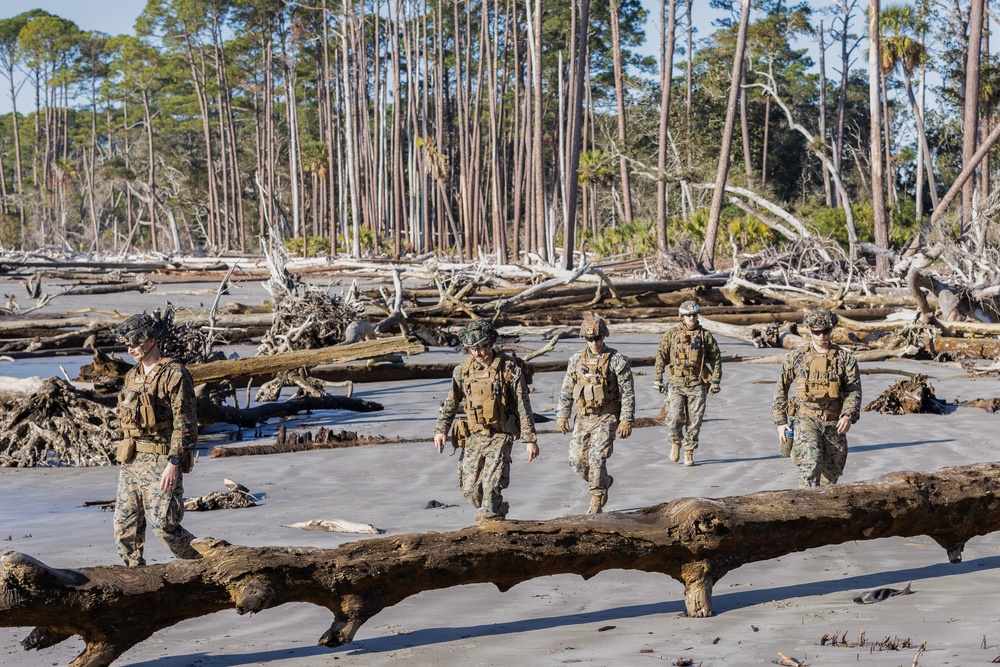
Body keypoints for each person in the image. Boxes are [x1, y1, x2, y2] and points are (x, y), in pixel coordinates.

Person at [113, 313, 200, 566]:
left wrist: (174, 462)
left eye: (135, 343)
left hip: (161, 460)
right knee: (124, 528)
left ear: (151, 340)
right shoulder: (132, 375)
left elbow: (186, 423)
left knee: (165, 526)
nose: (130, 349)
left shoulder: (174, 374)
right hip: (132, 459)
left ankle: (207, 561)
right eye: (127, 344)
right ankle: (134, 576)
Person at [433, 320, 539, 523]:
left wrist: (530, 439)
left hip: (500, 435)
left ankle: (491, 524)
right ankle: (497, 509)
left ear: (490, 344)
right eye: (473, 349)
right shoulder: (463, 371)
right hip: (474, 435)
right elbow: (451, 401)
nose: (478, 353)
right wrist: (441, 430)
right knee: (470, 490)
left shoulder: (509, 369)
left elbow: (523, 406)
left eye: (481, 348)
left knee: (491, 486)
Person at [772, 308, 862, 488]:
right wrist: (781, 421)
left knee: (832, 472)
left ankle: (824, 510)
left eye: (826, 331)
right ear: (810, 330)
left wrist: (848, 415)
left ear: (832, 329)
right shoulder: (797, 357)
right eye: (816, 331)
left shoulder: (845, 359)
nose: (821, 336)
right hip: (806, 419)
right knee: (810, 465)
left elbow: (853, 391)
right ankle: (806, 509)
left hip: (833, 421)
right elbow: (781, 387)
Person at [556, 316, 635, 514]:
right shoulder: (576, 360)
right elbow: (567, 388)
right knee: (577, 462)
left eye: (598, 338)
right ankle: (604, 481)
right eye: (590, 339)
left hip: (606, 418)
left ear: (604, 337)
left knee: (597, 458)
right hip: (583, 417)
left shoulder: (617, 360)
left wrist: (626, 420)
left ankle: (597, 497)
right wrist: (562, 414)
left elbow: (627, 392)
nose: (594, 343)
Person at [654, 300, 722, 467]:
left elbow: (716, 359)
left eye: (694, 314)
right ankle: (676, 442)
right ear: (681, 317)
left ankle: (689, 451)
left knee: (695, 420)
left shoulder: (705, 336)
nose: (691, 318)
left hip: (697, 383)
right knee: (674, 417)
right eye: (688, 315)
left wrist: (715, 381)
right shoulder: (671, 335)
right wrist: (658, 379)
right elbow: (661, 356)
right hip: (676, 383)